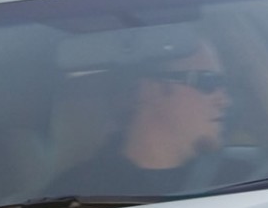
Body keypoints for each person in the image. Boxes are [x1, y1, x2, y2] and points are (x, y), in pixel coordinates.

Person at [46, 34, 232, 197]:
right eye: (208, 81)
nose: (224, 101)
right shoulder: (77, 194)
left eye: (223, 83)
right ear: (147, 90)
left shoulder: (242, 178)